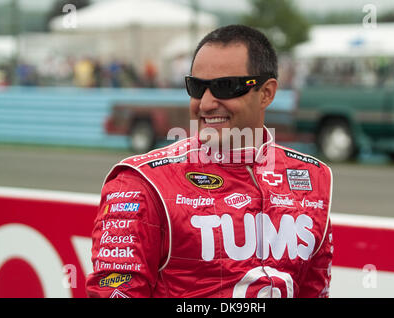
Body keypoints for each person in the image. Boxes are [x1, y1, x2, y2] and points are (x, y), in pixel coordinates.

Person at [86, 24, 333, 298]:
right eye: (197, 87)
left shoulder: (313, 179)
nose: (205, 104)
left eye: (224, 87)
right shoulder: (141, 183)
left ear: (266, 93)